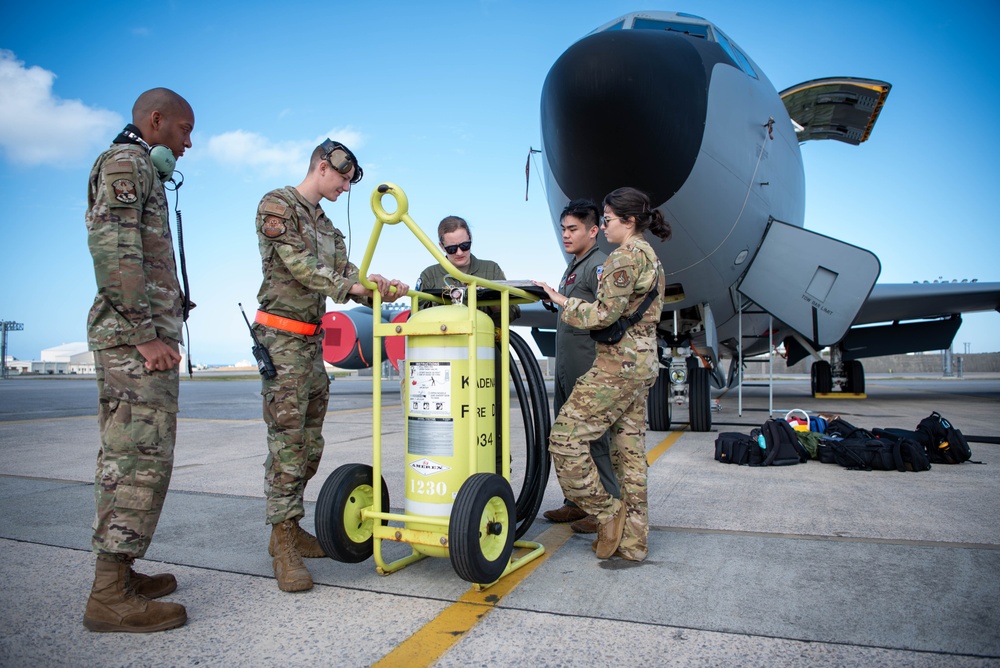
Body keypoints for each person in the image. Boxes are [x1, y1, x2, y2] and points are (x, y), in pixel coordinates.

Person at [253, 138, 408, 592]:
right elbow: (300, 267)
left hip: (309, 342)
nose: (345, 187)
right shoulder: (276, 205)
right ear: (323, 166)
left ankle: (291, 525)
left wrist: (375, 282)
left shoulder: (328, 226)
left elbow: (347, 272)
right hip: (281, 338)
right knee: (287, 444)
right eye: (342, 178)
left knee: (310, 444)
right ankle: (283, 542)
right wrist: (351, 289)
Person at [83, 87, 194, 632]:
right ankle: (108, 595)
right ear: (156, 121)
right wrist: (144, 333)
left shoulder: (141, 169)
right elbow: (115, 251)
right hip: (135, 347)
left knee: (137, 456)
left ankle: (121, 574)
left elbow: (139, 252)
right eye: (183, 130)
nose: (188, 143)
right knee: (135, 461)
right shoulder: (127, 163)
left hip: (138, 337)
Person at [534, 186, 669, 562]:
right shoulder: (651, 257)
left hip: (617, 367)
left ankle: (606, 512)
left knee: (564, 440)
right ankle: (634, 543)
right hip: (641, 366)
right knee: (629, 458)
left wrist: (560, 300)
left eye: (607, 220)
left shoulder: (623, 257)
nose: (604, 226)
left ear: (627, 221)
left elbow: (602, 315)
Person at [541, 199, 619, 534]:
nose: (566, 235)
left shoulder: (599, 265)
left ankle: (607, 508)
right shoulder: (575, 266)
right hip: (566, 368)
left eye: (573, 229)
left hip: (588, 368)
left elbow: (605, 314)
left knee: (593, 440)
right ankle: (577, 501)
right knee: (565, 437)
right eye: (563, 229)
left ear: (593, 229)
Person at [415, 215, 519, 324]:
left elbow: (514, 311)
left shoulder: (491, 269)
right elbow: (415, 317)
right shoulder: (429, 275)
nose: (459, 252)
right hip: (444, 339)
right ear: (442, 247)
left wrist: (493, 301)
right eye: (452, 249)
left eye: (464, 245)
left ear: (471, 239)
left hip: (483, 338)